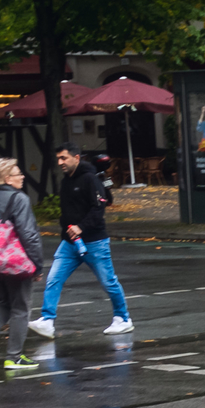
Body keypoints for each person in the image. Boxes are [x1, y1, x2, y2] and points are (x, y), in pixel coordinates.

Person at [30, 145, 133, 338]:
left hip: (94, 241)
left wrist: (81, 227)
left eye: (64, 158)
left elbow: (99, 208)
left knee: (108, 281)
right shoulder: (66, 181)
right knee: (53, 278)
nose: (60, 162)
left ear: (76, 158)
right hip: (70, 243)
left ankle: (123, 319)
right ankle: (47, 320)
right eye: (58, 159)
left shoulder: (90, 179)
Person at [0, 157, 46, 371]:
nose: (22, 177)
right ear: (7, 178)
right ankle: (14, 357)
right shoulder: (19, 198)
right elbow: (28, 234)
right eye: (18, 174)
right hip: (14, 261)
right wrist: (37, 264)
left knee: (3, 302)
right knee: (20, 308)